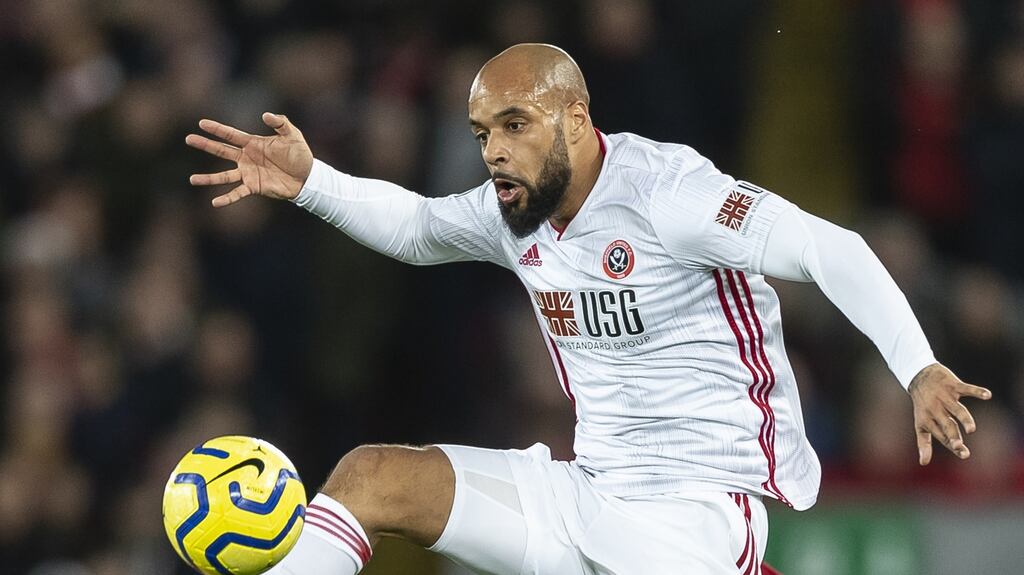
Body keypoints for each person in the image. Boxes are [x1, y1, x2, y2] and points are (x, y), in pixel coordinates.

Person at [186, 44, 990, 575]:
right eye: (482, 133)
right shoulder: (513, 212)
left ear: (576, 118)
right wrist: (312, 182)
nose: (495, 151)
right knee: (370, 476)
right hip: (586, 490)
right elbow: (421, 228)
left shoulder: (670, 195)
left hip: (698, 511)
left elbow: (828, 248)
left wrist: (917, 366)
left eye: (515, 125)